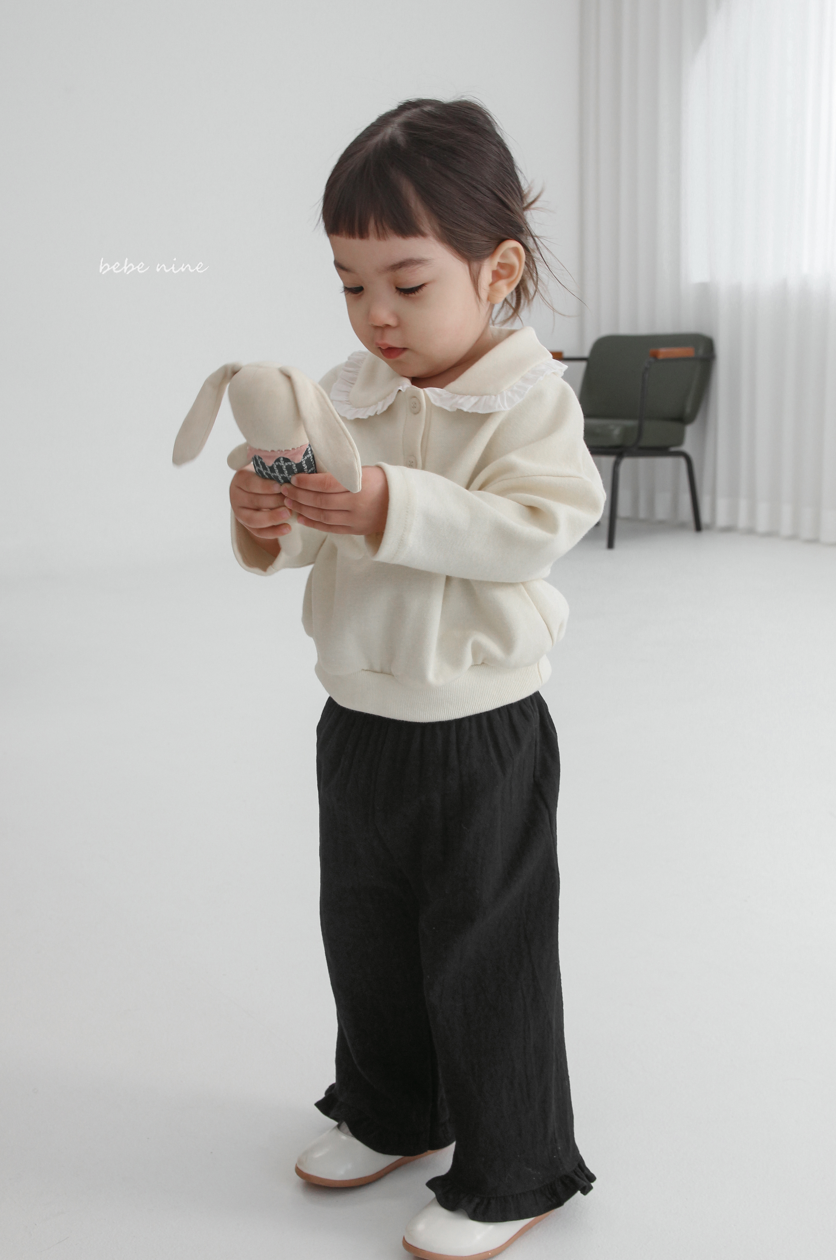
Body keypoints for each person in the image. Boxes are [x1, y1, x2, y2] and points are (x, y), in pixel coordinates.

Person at [228, 97, 606, 1260]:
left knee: (486, 953)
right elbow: (318, 536)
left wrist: (391, 501)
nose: (374, 313)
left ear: (497, 271)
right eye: (350, 284)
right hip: (358, 715)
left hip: (478, 727)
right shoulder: (348, 391)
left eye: (405, 281)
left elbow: (536, 526)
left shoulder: (529, 399)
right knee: (368, 935)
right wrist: (270, 515)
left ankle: (515, 1167)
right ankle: (392, 1109)